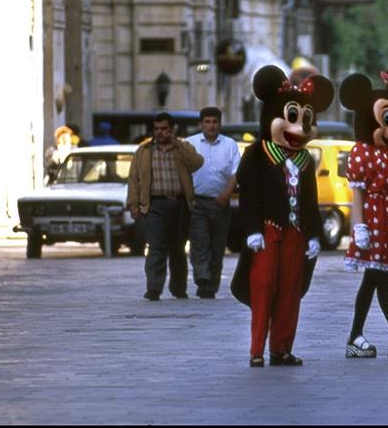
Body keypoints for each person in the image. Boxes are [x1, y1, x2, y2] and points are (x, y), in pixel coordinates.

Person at [232, 67, 332, 367]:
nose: (300, 129)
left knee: (291, 290)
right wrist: (251, 230)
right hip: (267, 230)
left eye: (306, 121)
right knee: (263, 287)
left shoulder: (305, 160)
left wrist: (314, 234)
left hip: (295, 233)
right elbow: (247, 196)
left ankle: (281, 348)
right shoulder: (257, 154)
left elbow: (311, 202)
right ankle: (256, 350)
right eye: (292, 117)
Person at [339, 69, 388, 359]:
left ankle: (358, 336)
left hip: (387, 220)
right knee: (377, 279)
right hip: (371, 220)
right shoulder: (362, 152)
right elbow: (357, 192)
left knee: (377, 279)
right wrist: (358, 226)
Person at [126, 112, 203, 300]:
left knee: (178, 248)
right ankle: (153, 288)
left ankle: (178, 288)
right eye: (157, 129)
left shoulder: (182, 147)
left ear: (171, 129)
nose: (160, 133)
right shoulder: (144, 151)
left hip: (179, 203)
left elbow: (197, 163)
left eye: (164, 129)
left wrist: (177, 143)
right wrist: (134, 204)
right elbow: (133, 179)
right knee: (156, 247)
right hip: (154, 205)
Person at [185, 107, 240, 299]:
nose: (211, 125)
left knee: (217, 246)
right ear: (201, 124)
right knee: (200, 242)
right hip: (196, 202)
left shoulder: (230, 145)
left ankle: (211, 286)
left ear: (220, 123)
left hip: (220, 202)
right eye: (207, 122)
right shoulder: (189, 144)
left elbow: (235, 173)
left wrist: (226, 194)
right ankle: (202, 277)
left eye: (214, 122)